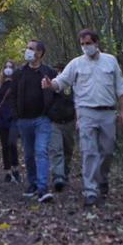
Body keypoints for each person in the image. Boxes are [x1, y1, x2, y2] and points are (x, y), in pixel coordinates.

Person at [42, 29, 123, 207]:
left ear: (96, 43)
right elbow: (62, 81)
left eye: (88, 43)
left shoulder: (110, 61)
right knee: (89, 151)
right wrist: (51, 85)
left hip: (107, 112)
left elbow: (121, 88)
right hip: (86, 112)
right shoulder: (76, 63)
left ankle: (102, 179)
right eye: (82, 44)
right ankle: (90, 190)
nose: (85, 47)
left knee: (107, 150)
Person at [10, 39, 57, 203]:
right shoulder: (19, 73)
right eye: (27, 48)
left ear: (40, 53)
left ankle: (43, 188)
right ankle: (33, 184)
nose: (27, 51)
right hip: (24, 120)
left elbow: (57, 92)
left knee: (41, 151)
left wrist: (51, 111)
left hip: (42, 119)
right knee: (29, 154)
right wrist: (16, 115)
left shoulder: (49, 72)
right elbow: (12, 95)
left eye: (31, 48)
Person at [47, 63, 76, 192]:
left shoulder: (72, 85)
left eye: (61, 71)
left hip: (70, 121)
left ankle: (65, 172)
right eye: (57, 71)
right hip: (54, 122)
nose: (59, 73)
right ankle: (58, 176)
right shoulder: (50, 86)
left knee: (68, 149)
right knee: (56, 149)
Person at [0, 60, 21, 183]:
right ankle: (7, 171)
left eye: (11, 67)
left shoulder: (17, 82)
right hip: (2, 118)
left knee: (12, 143)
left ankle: (15, 168)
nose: (8, 69)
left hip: (14, 117)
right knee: (5, 146)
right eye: (6, 67)